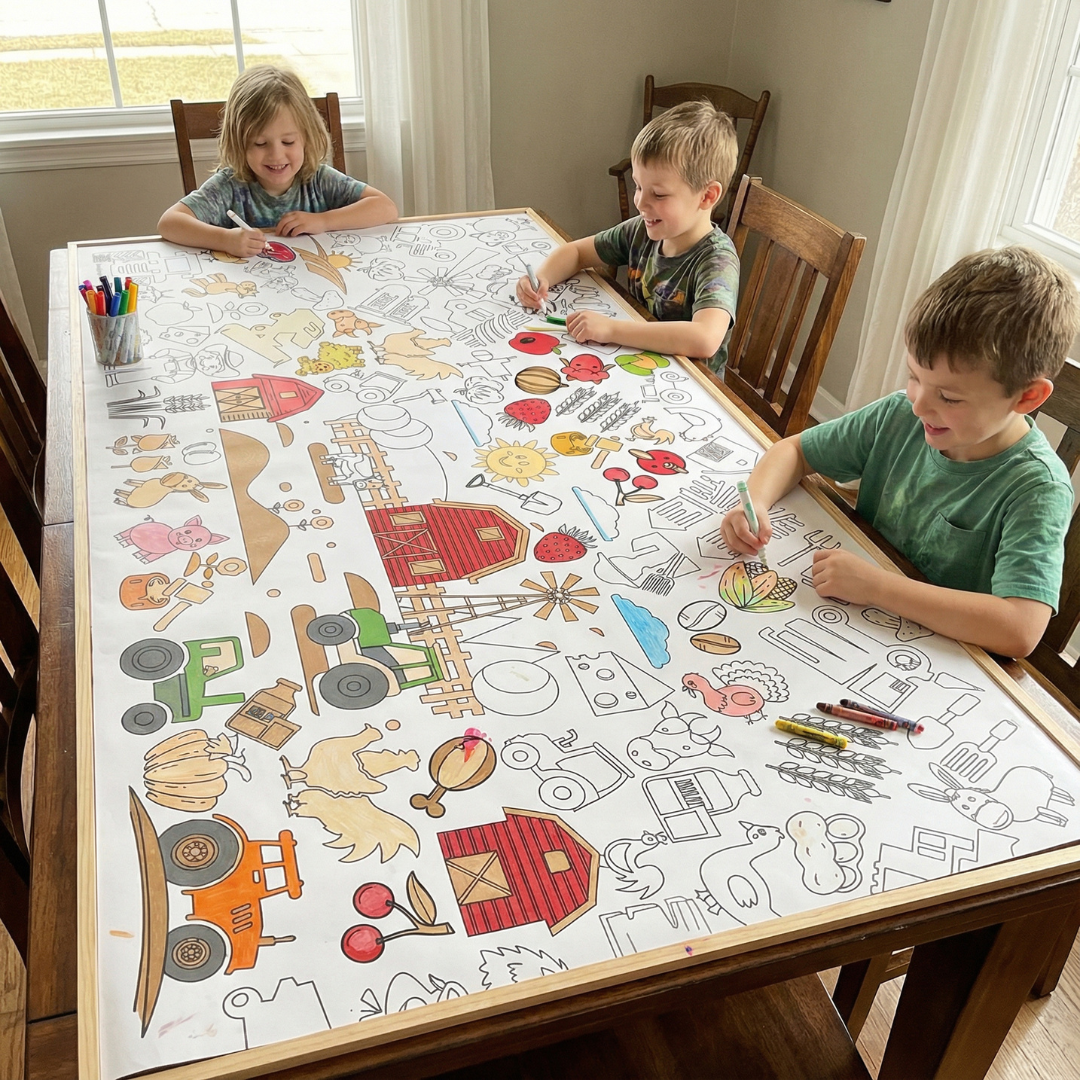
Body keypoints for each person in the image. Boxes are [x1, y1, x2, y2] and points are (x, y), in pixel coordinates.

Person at [720, 246, 1080, 659]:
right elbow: (796, 451)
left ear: (1027, 396)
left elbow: (1020, 629)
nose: (919, 405)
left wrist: (877, 587)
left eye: (948, 396)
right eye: (914, 376)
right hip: (852, 625)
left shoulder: (1037, 488)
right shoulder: (899, 416)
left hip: (936, 658)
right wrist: (757, 502)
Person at [516, 99, 740, 372]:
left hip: (693, 386)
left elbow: (704, 339)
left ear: (707, 196)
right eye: (637, 186)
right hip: (638, 364)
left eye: (658, 194)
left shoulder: (717, 260)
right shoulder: (642, 230)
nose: (641, 203)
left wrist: (611, 329)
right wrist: (542, 278)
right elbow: (576, 252)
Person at [159, 65, 396, 258]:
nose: (276, 155)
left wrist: (323, 221)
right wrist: (225, 239)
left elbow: (385, 207)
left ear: (306, 137)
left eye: (289, 142)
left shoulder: (316, 179)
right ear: (239, 143)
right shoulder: (230, 186)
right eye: (260, 144)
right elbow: (169, 222)